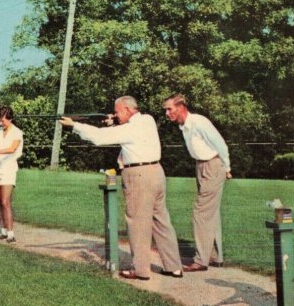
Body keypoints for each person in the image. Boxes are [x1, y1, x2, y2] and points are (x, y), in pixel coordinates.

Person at [60, 96, 183, 280]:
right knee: (161, 221)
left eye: (117, 111)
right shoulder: (147, 119)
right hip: (156, 172)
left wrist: (74, 126)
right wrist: (114, 121)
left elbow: (99, 138)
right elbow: (124, 131)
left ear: (127, 109)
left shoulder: (130, 128)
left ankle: (141, 271)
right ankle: (174, 267)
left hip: (139, 175)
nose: (115, 114)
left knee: (138, 223)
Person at [162, 94, 231, 272]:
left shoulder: (199, 122)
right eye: (166, 110)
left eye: (169, 109)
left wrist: (227, 166)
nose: (167, 113)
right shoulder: (183, 126)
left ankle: (201, 261)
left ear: (181, 107)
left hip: (213, 165)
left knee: (201, 213)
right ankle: (216, 257)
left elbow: (221, 145)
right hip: (201, 166)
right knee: (210, 213)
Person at [0, 106, 23, 243]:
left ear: (10, 118)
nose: (0, 123)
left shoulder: (17, 132)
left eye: (3, 121)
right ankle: (3, 232)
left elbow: (12, 149)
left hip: (9, 169)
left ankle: (11, 234)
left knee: (5, 202)